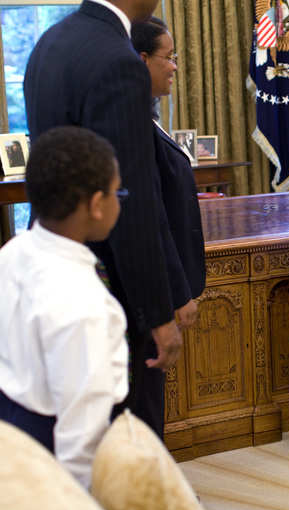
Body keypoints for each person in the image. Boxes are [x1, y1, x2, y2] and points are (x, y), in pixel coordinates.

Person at [24, 0, 187, 438]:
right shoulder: (117, 60)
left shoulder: (50, 43)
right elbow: (131, 198)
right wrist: (157, 313)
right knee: (128, 433)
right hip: (110, 285)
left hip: (55, 267)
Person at [0, 126, 128, 488]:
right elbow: (81, 434)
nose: (121, 201)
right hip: (50, 443)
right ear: (95, 205)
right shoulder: (83, 303)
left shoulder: (12, 253)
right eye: (118, 192)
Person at [132, 17, 205, 332]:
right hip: (157, 292)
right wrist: (177, 292)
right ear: (143, 59)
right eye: (169, 56)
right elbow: (151, 216)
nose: (175, 66)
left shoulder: (146, 116)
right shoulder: (133, 126)